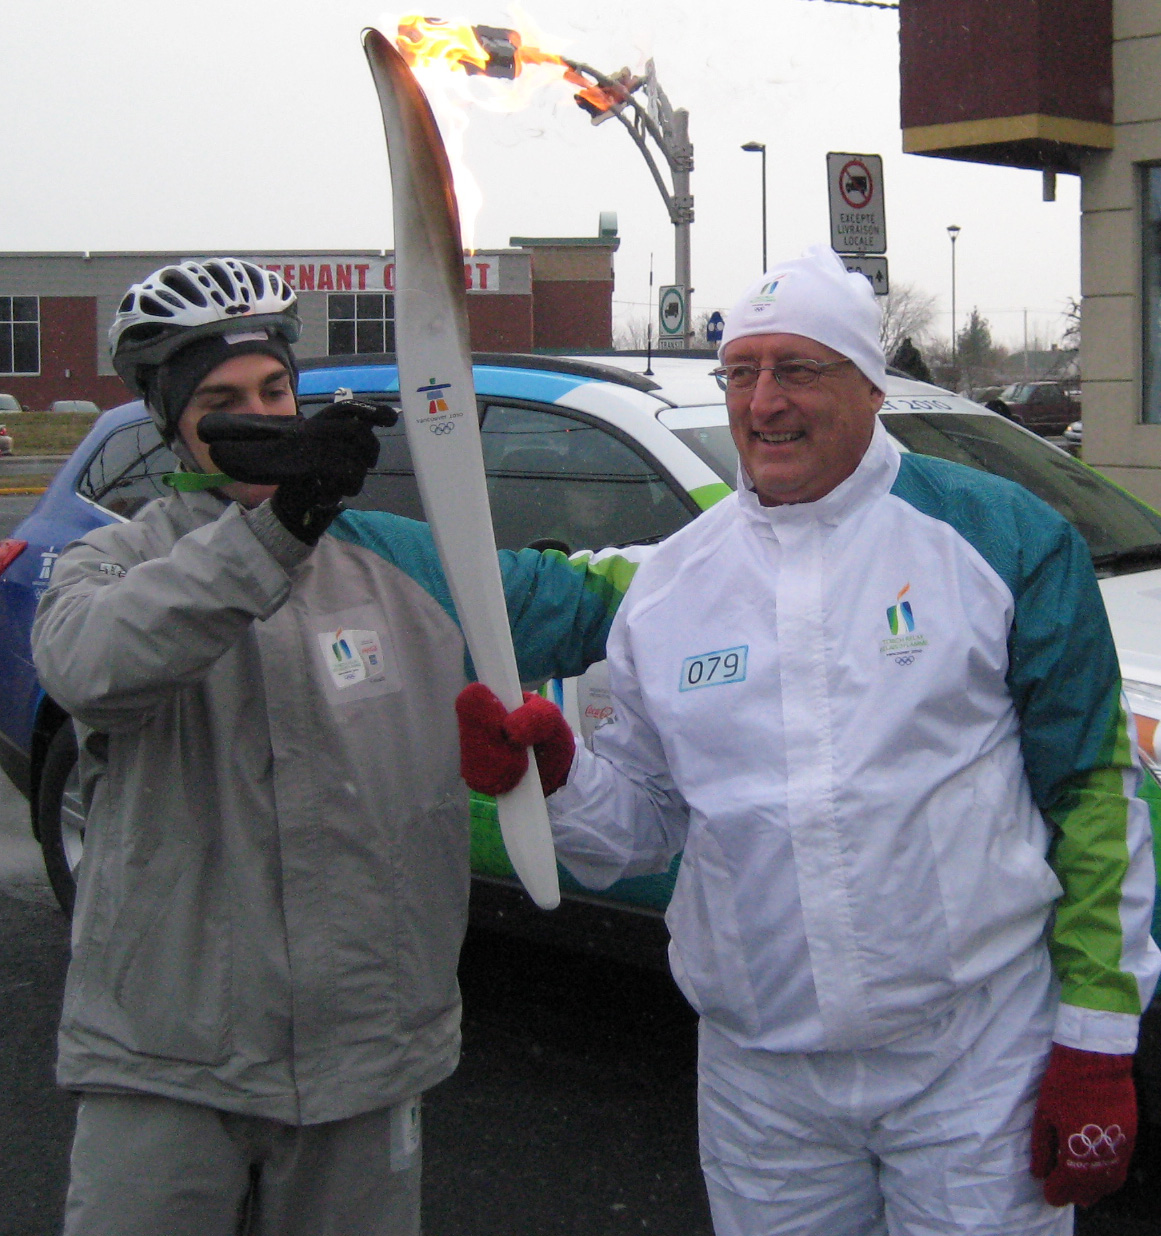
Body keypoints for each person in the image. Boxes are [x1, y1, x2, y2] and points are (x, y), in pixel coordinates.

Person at [457, 245, 1161, 1235]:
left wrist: (1097, 1039)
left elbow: (1091, 797)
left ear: (869, 387)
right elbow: (647, 829)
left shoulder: (1001, 541)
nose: (764, 402)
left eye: (799, 369)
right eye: (741, 372)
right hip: (763, 1082)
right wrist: (556, 778)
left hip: (973, 1057)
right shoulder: (672, 587)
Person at [31, 257, 633, 1236]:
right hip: (172, 1065)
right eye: (223, 400)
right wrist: (278, 530)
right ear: (171, 421)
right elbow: (91, 662)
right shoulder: (119, 560)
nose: (261, 414)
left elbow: (568, 602)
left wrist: (770, 550)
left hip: (362, 1062)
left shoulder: (389, 563)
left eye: (274, 389)